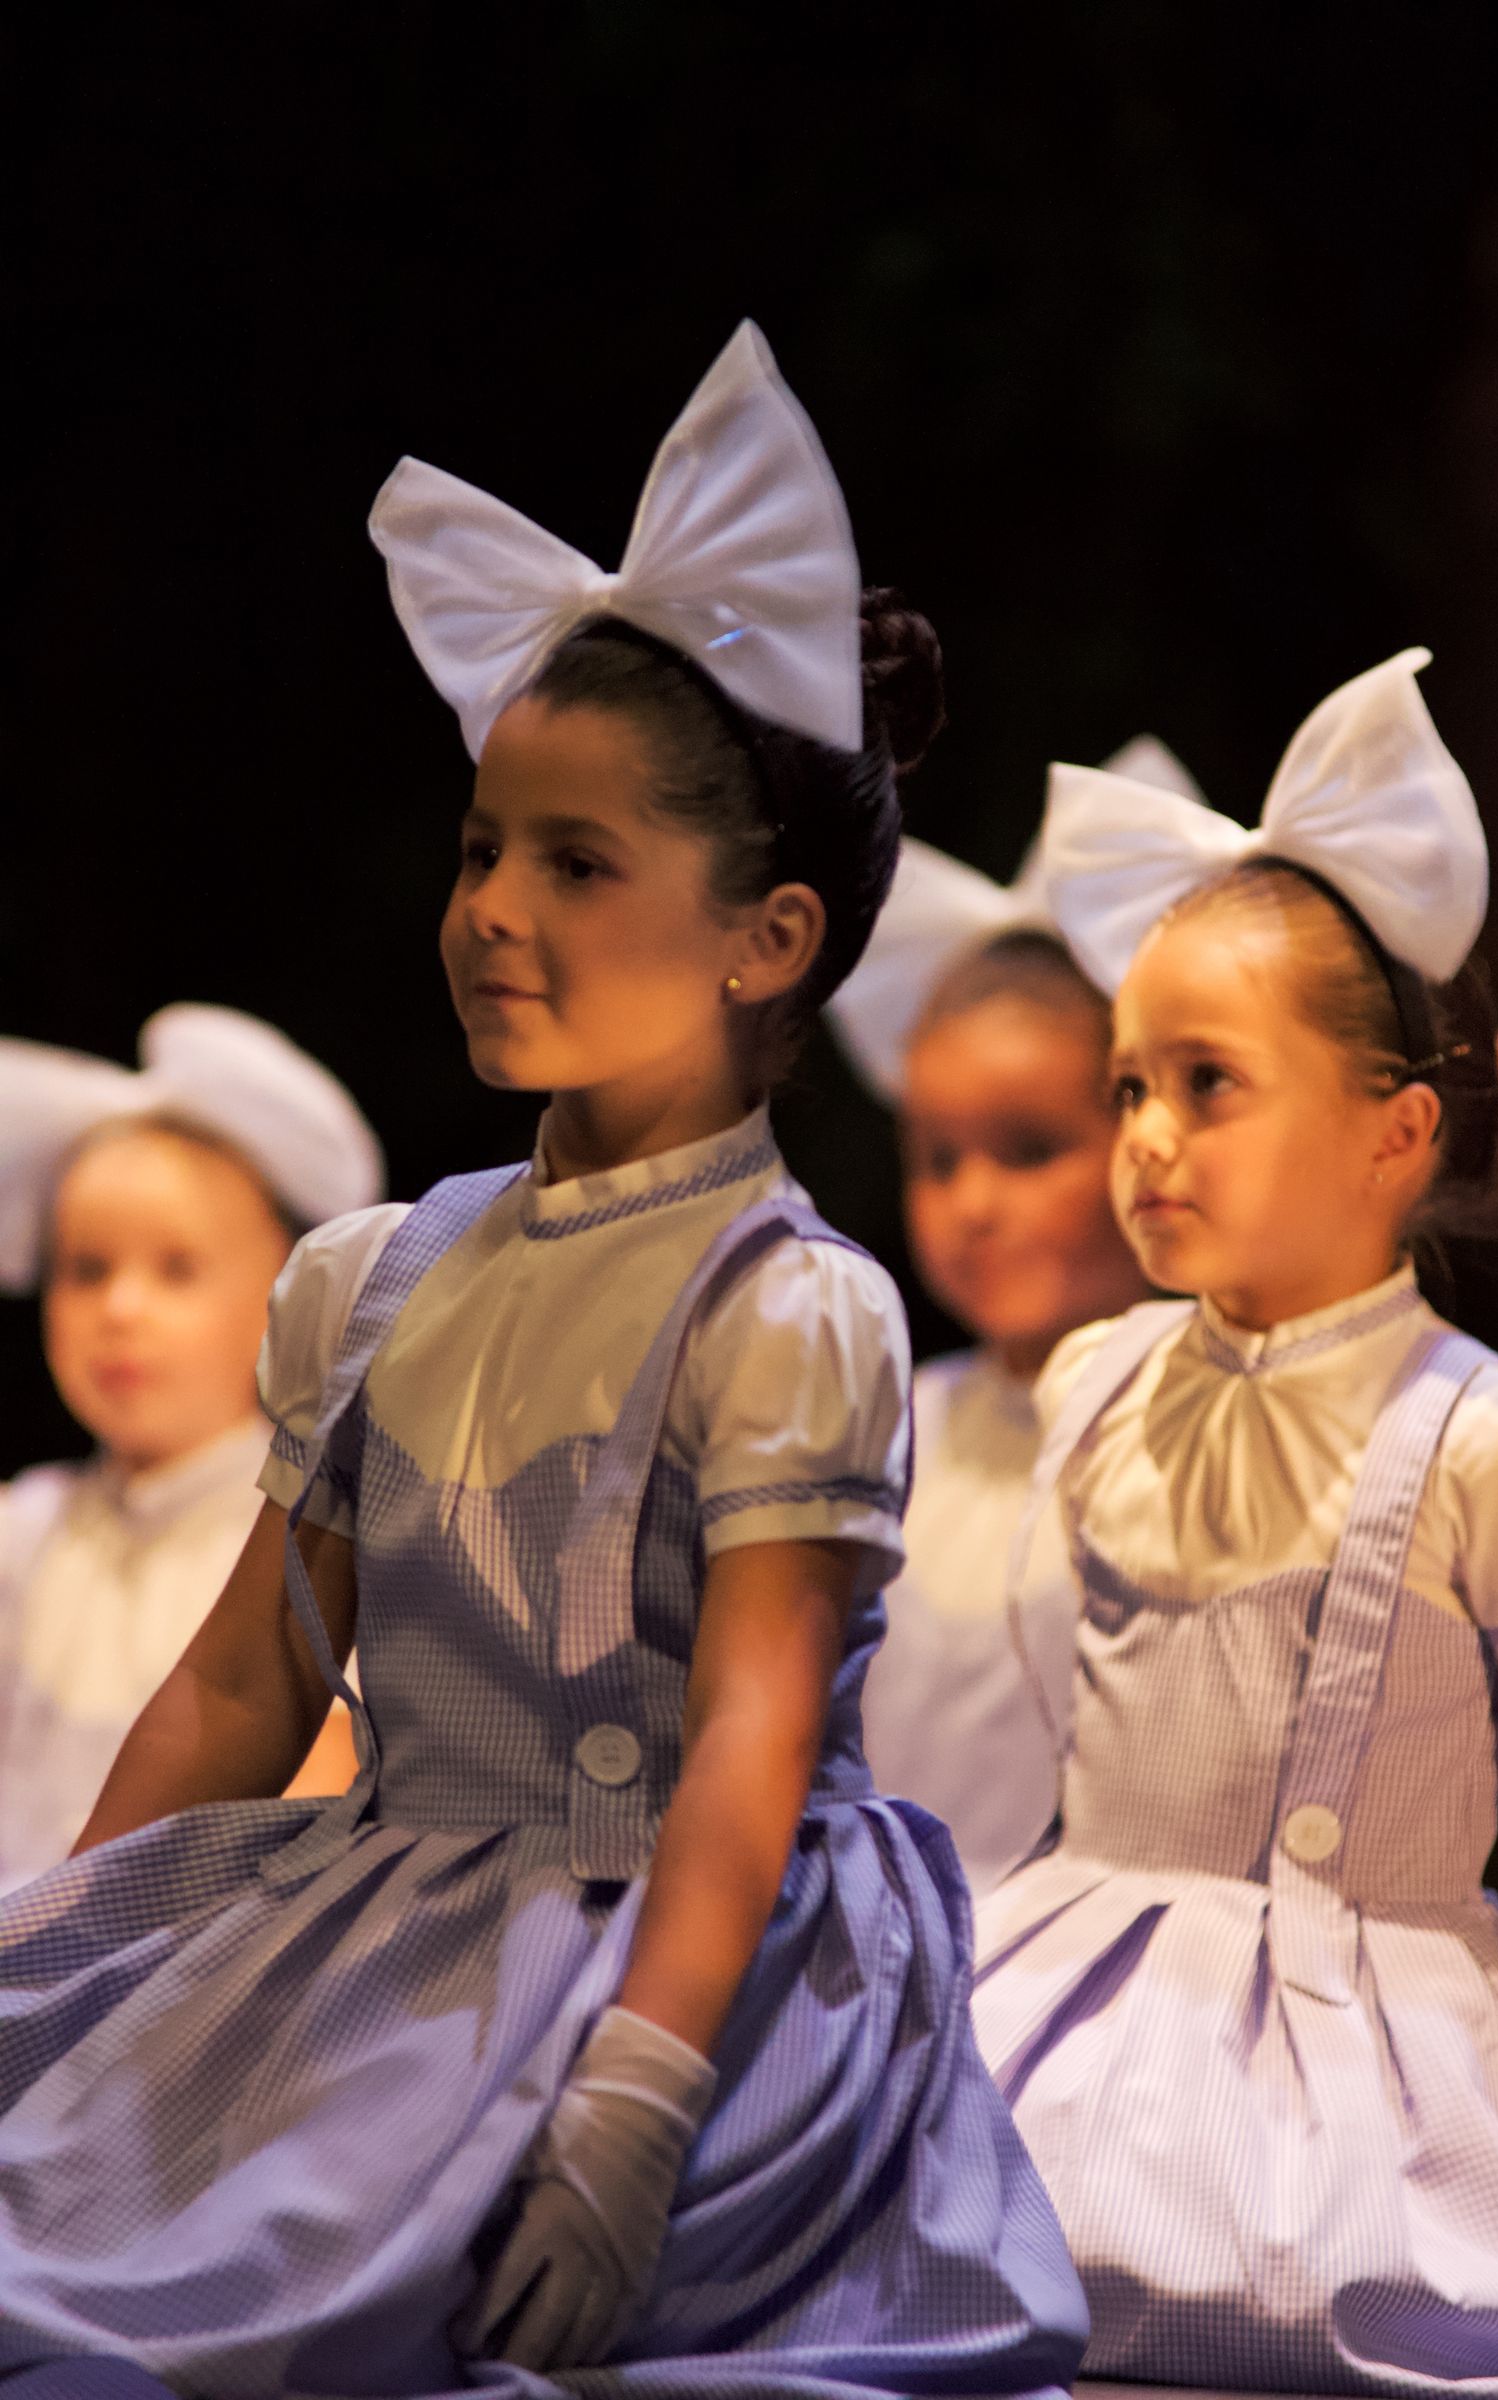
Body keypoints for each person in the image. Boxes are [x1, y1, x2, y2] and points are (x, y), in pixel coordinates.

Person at [0, 324, 1085, 2400]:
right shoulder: (377, 1278)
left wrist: (638, 2100)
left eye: (574, 864)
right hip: (394, 1932)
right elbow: (248, 1680)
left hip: (689, 1970)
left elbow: (750, 1749)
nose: (492, 907)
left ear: (764, 938)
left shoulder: (784, 1304)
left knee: (331, 2318)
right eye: (481, 847)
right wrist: (74, 1970)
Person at [972, 648, 1498, 2394]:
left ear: (1397, 1133)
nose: (1149, 1138)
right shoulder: (1095, 1383)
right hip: (1067, 2018)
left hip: (1363, 2064)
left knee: (1340, 2312)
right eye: (1126, 1089)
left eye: (1208, 1083)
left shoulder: (1493, 1442)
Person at [828, 756, 1184, 1890]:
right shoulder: (890, 1427)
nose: (972, 1204)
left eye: (1029, 1150)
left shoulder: (1215, 1418)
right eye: (937, 1158)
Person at [0, 1006, 381, 1891]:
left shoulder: (316, 1537)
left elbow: (313, 1801)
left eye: (176, 1269)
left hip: (200, 1967)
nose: (121, 1310)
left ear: (287, 1297)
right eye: (87, 1269)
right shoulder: (24, 1531)